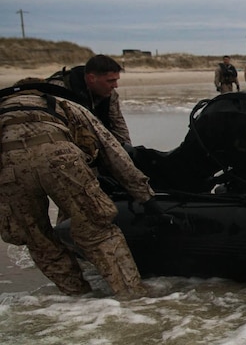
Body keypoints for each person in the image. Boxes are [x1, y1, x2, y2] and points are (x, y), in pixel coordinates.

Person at [0, 79, 164, 298]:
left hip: (8, 171)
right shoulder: (64, 104)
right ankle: (132, 296)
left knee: (38, 240)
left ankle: (79, 298)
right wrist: (146, 197)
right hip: (62, 162)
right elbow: (114, 154)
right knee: (99, 231)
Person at [47, 54, 131, 147]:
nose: (115, 85)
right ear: (92, 78)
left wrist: (127, 152)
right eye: (110, 81)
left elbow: (118, 125)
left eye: (116, 80)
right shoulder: (57, 90)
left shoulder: (110, 93)